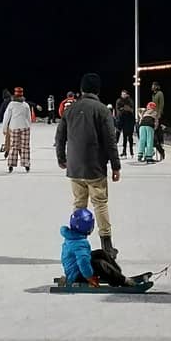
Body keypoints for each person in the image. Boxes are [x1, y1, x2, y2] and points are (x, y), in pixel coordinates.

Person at [54, 73, 121, 255]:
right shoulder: (102, 110)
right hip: (95, 167)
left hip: (74, 167)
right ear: (97, 90)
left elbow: (60, 137)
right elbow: (110, 140)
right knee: (100, 203)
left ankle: (76, 245)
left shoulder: (71, 109)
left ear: (82, 89)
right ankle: (106, 245)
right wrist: (116, 165)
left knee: (79, 205)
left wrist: (61, 158)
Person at [60, 207, 100, 287]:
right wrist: (89, 277)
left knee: (100, 254)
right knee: (100, 264)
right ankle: (121, 280)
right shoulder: (80, 243)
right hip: (77, 275)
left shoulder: (73, 236)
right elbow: (83, 262)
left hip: (74, 270)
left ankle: (118, 275)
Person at [1, 87, 33, 172]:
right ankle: (26, 165)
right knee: (25, 146)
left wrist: (4, 127)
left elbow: (6, 116)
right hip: (25, 127)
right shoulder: (25, 104)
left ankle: (11, 165)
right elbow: (29, 117)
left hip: (14, 127)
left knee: (14, 146)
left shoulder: (11, 104)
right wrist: (29, 125)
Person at [114, 90, 135, 157]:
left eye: (124, 94)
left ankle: (130, 151)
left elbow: (131, 109)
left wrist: (125, 108)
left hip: (129, 120)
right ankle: (120, 151)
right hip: (120, 120)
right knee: (119, 135)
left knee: (128, 136)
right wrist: (124, 108)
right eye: (122, 94)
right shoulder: (119, 100)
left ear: (127, 94)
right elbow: (118, 109)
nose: (123, 95)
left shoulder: (130, 100)